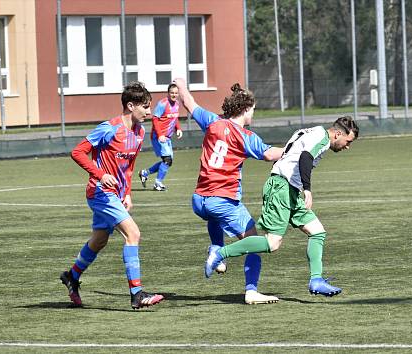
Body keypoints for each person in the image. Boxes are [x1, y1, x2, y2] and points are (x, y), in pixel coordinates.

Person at [205, 116, 359, 297]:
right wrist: (307, 189)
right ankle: (219, 254)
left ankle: (316, 280)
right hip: (282, 188)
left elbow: (289, 153)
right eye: (348, 141)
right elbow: (305, 157)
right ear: (338, 133)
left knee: (317, 231)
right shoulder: (322, 138)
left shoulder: (310, 131)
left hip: (289, 189)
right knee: (272, 243)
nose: (347, 146)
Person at [174, 78, 284, 305]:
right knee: (255, 242)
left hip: (199, 201)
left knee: (213, 216)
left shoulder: (213, 122)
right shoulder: (246, 137)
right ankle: (251, 290)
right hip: (222, 200)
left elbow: (189, 102)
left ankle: (216, 246)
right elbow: (270, 155)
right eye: (253, 110)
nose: (253, 114)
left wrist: (182, 85)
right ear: (245, 109)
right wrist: (297, 148)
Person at [60, 81, 164, 309]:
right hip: (100, 193)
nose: (149, 112)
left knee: (99, 240)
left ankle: (72, 276)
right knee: (133, 234)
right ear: (130, 106)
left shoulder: (139, 132)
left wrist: (127, 193)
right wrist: (100, 174)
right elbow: (77, 152)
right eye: (145, 107)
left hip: (116, 195)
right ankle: (137, 293)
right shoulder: (109, 128)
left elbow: (128, 166)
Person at [139, 83, 183, 191]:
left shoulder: (177, 104)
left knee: (168, 161)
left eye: (176, 93)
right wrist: (160, 135)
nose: (174, 95)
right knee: (167, 160)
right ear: (168, 93)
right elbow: (155, 119)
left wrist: (178, 129)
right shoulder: (162, 104)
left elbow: (175, 118)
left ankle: (145, 173)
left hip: (167, 137)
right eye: (172, 93)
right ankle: (157, 183)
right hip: (158, 137)